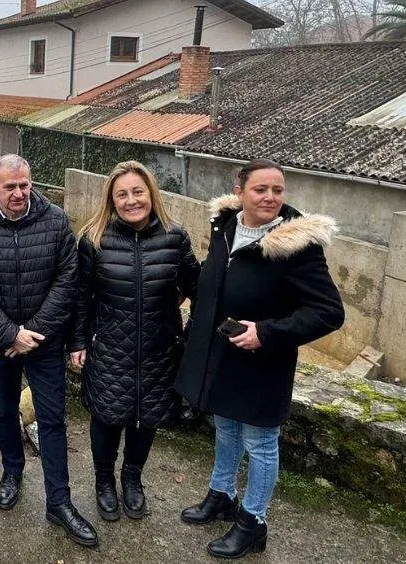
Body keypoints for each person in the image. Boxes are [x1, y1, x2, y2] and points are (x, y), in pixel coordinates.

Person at [174, 158, 344, 558]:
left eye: (278, 190)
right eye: (260, 189)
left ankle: (253, 522)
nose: (270, 197)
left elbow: (329, 311)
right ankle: (222, 495)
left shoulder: (296, 245)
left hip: (264, 360)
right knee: (226, 427)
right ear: (240, 191)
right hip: (224, 353)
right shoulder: (227, 227)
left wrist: (266, 333)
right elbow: (214, 278)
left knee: (261, 442)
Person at [0, 154, 99, 548]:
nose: (20, 193)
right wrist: (10, 334)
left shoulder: (55, 221)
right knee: (4, 411)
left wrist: (33, 332)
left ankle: (59, 500)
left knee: (53, 419)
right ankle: (12, 472)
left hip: (44, 342)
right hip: (0, 344)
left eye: (25, 185)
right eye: (10, 186)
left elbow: (67, 280)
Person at [68, 161, 200, 523]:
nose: (131, 201)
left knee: (146, 419)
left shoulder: (175, 237)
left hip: (160, 350)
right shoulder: (94, 239)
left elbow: (198, 291)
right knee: (107, 418)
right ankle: (104, 481)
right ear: (111, 199)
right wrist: (78, 342)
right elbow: (80, 297)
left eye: (137, 192)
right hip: (110, 347)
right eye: (122, 194)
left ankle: (132, 478)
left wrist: (186, 339)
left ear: (151, 193)